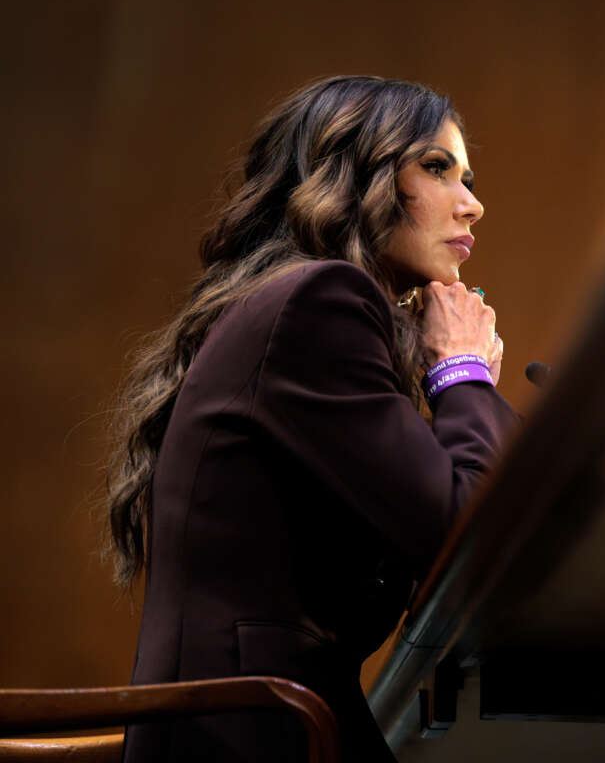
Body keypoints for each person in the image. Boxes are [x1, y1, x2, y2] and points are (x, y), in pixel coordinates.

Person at [103, 75, 519, 762]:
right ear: (359, 177)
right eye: (439, 168)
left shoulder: (303, 309)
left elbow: (430, 549)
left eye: (468, 178)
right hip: (252, 735)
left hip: (263, 724)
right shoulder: (322, 300)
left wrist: (457, 385)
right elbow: (466, 534)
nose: (472, 205)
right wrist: (462, 373)